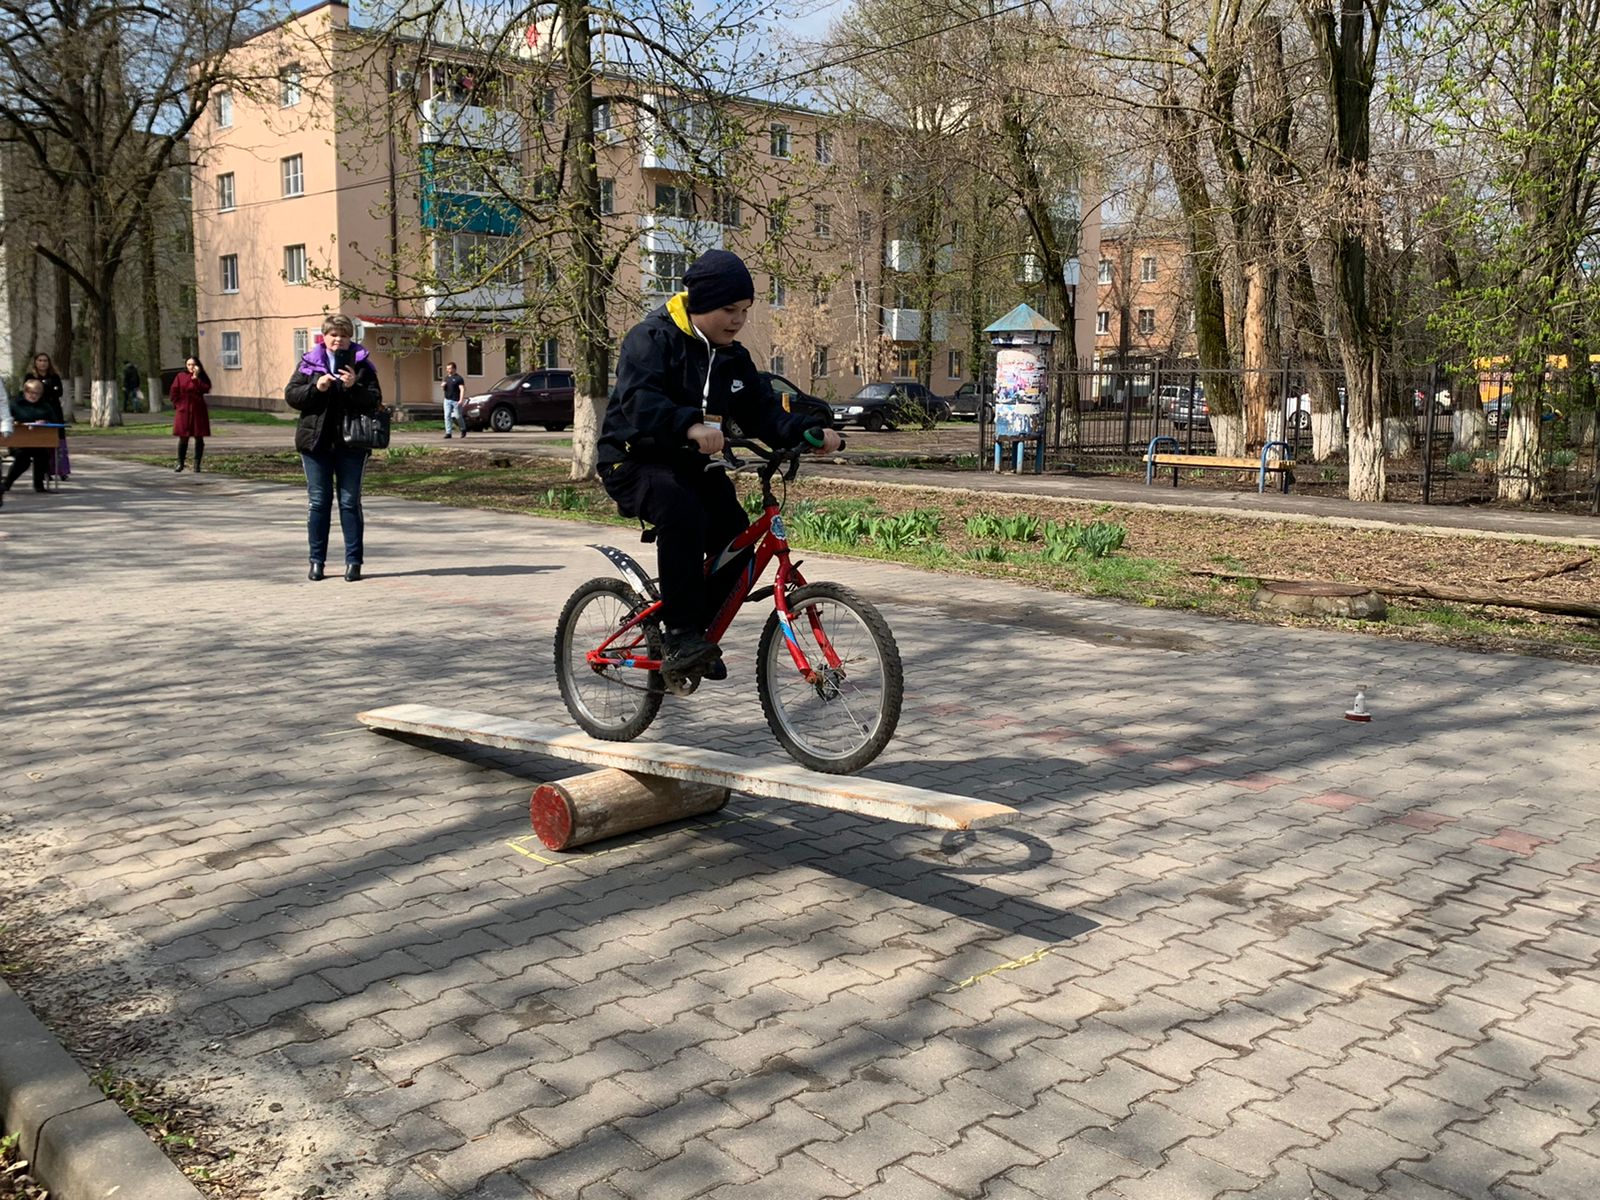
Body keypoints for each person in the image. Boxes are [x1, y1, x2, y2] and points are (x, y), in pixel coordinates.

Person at [598, 248, 842, 677]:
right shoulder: (652, 338)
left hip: (692, 465)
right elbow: (639, 402)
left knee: (736, 537)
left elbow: (762, 412)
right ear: (701, 302)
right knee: (682, 513)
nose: (738, 320)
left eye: (745, 311)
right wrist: (689, 425)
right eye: (730, 309)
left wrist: (808, 433)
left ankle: (699, 636)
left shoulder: (733, 357)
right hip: (633, 460)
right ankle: (680, 635)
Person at [285, 314, 382, 582]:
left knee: (350, 503)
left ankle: (354, 562)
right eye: (333, 335)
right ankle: (317, 561)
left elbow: (374, 400)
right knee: (318, 503)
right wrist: (317, 388)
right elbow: (292, 396)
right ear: (324, 337)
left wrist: (353, 387)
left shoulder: (363, 365)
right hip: (316, 444)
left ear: (351, 338)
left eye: (343, 335)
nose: (338, 339)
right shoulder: (309, 363)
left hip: (351, 445)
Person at [3, 377, 65, 495]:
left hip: (39, 441)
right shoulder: (15, 404)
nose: (33, 396)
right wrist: (14, 422)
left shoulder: (45, 405)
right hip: (18, 442)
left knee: (43, 456)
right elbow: (5, 419)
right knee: (23, 459)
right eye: (30, 392)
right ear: (25, 391)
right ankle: (7, 484)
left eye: (37, 393)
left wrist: (45, 422)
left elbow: (54, 421)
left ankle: (39, 486)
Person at [170, 356, 212, 472]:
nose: (191, 367)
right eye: (188, 364)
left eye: (193, 364)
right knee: (183, 437)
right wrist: (178, 405)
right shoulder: (180, 376)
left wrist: (196, 377)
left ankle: (197, 464)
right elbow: (174, 391)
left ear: (197, 365)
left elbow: (205, 388)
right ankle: (180, 463)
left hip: (198, 410)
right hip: (183, 410)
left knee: (199, 437)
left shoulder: (201, 377)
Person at [441, 360, 466, 439]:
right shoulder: (446, 378)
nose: (448, 370)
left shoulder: (459, 378)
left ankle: (463, 429)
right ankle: (448, 433)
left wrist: (461, 400)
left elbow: (462, 389)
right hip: (447, 400)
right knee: (447, 416)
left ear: (454, 369)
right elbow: (444, 388)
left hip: (456, 400)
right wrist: (442, 386)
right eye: (447, 369)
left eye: (449, 368)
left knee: (458, 416)